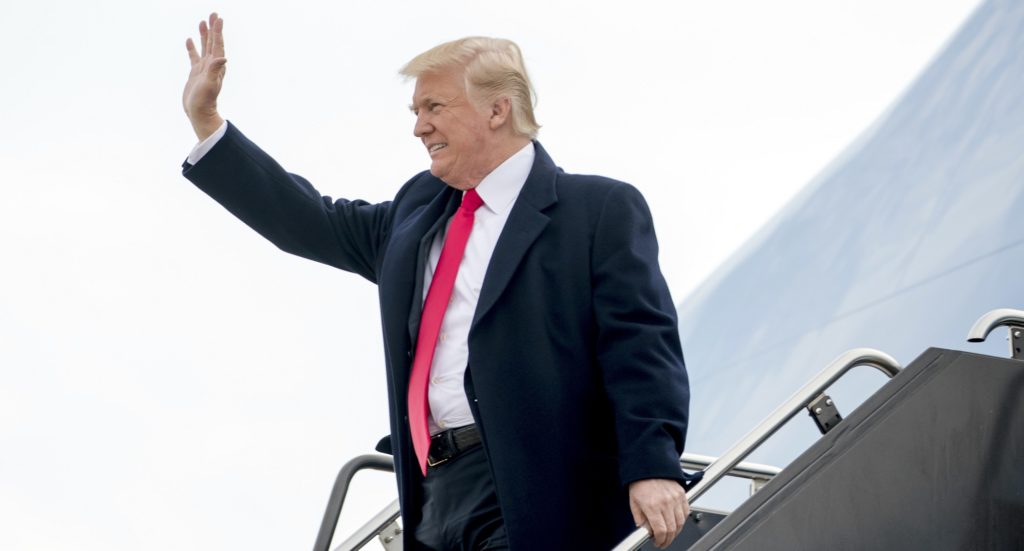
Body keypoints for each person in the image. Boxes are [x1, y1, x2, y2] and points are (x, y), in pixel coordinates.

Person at [181, 13, 692, 551]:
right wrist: (208, 121)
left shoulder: (596, 210)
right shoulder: (416, 212)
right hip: (433, 499)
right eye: (416, 110)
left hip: (536, 485)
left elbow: (640, 344)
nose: (419, 126)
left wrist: (652, 463)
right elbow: (308, 220)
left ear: (498, 109)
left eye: (434, 107)